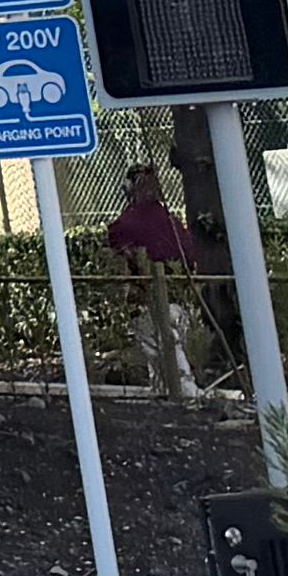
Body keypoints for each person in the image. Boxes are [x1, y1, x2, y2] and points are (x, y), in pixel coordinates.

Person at [105, 158, 205, 399]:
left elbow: (120, 257)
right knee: (171, 346)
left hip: (147, 297)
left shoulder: (125, 225)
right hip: (179, 295)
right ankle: (170, 391)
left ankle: (184, 392)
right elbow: (190, 254)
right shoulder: (170, 221)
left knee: (161, 349)